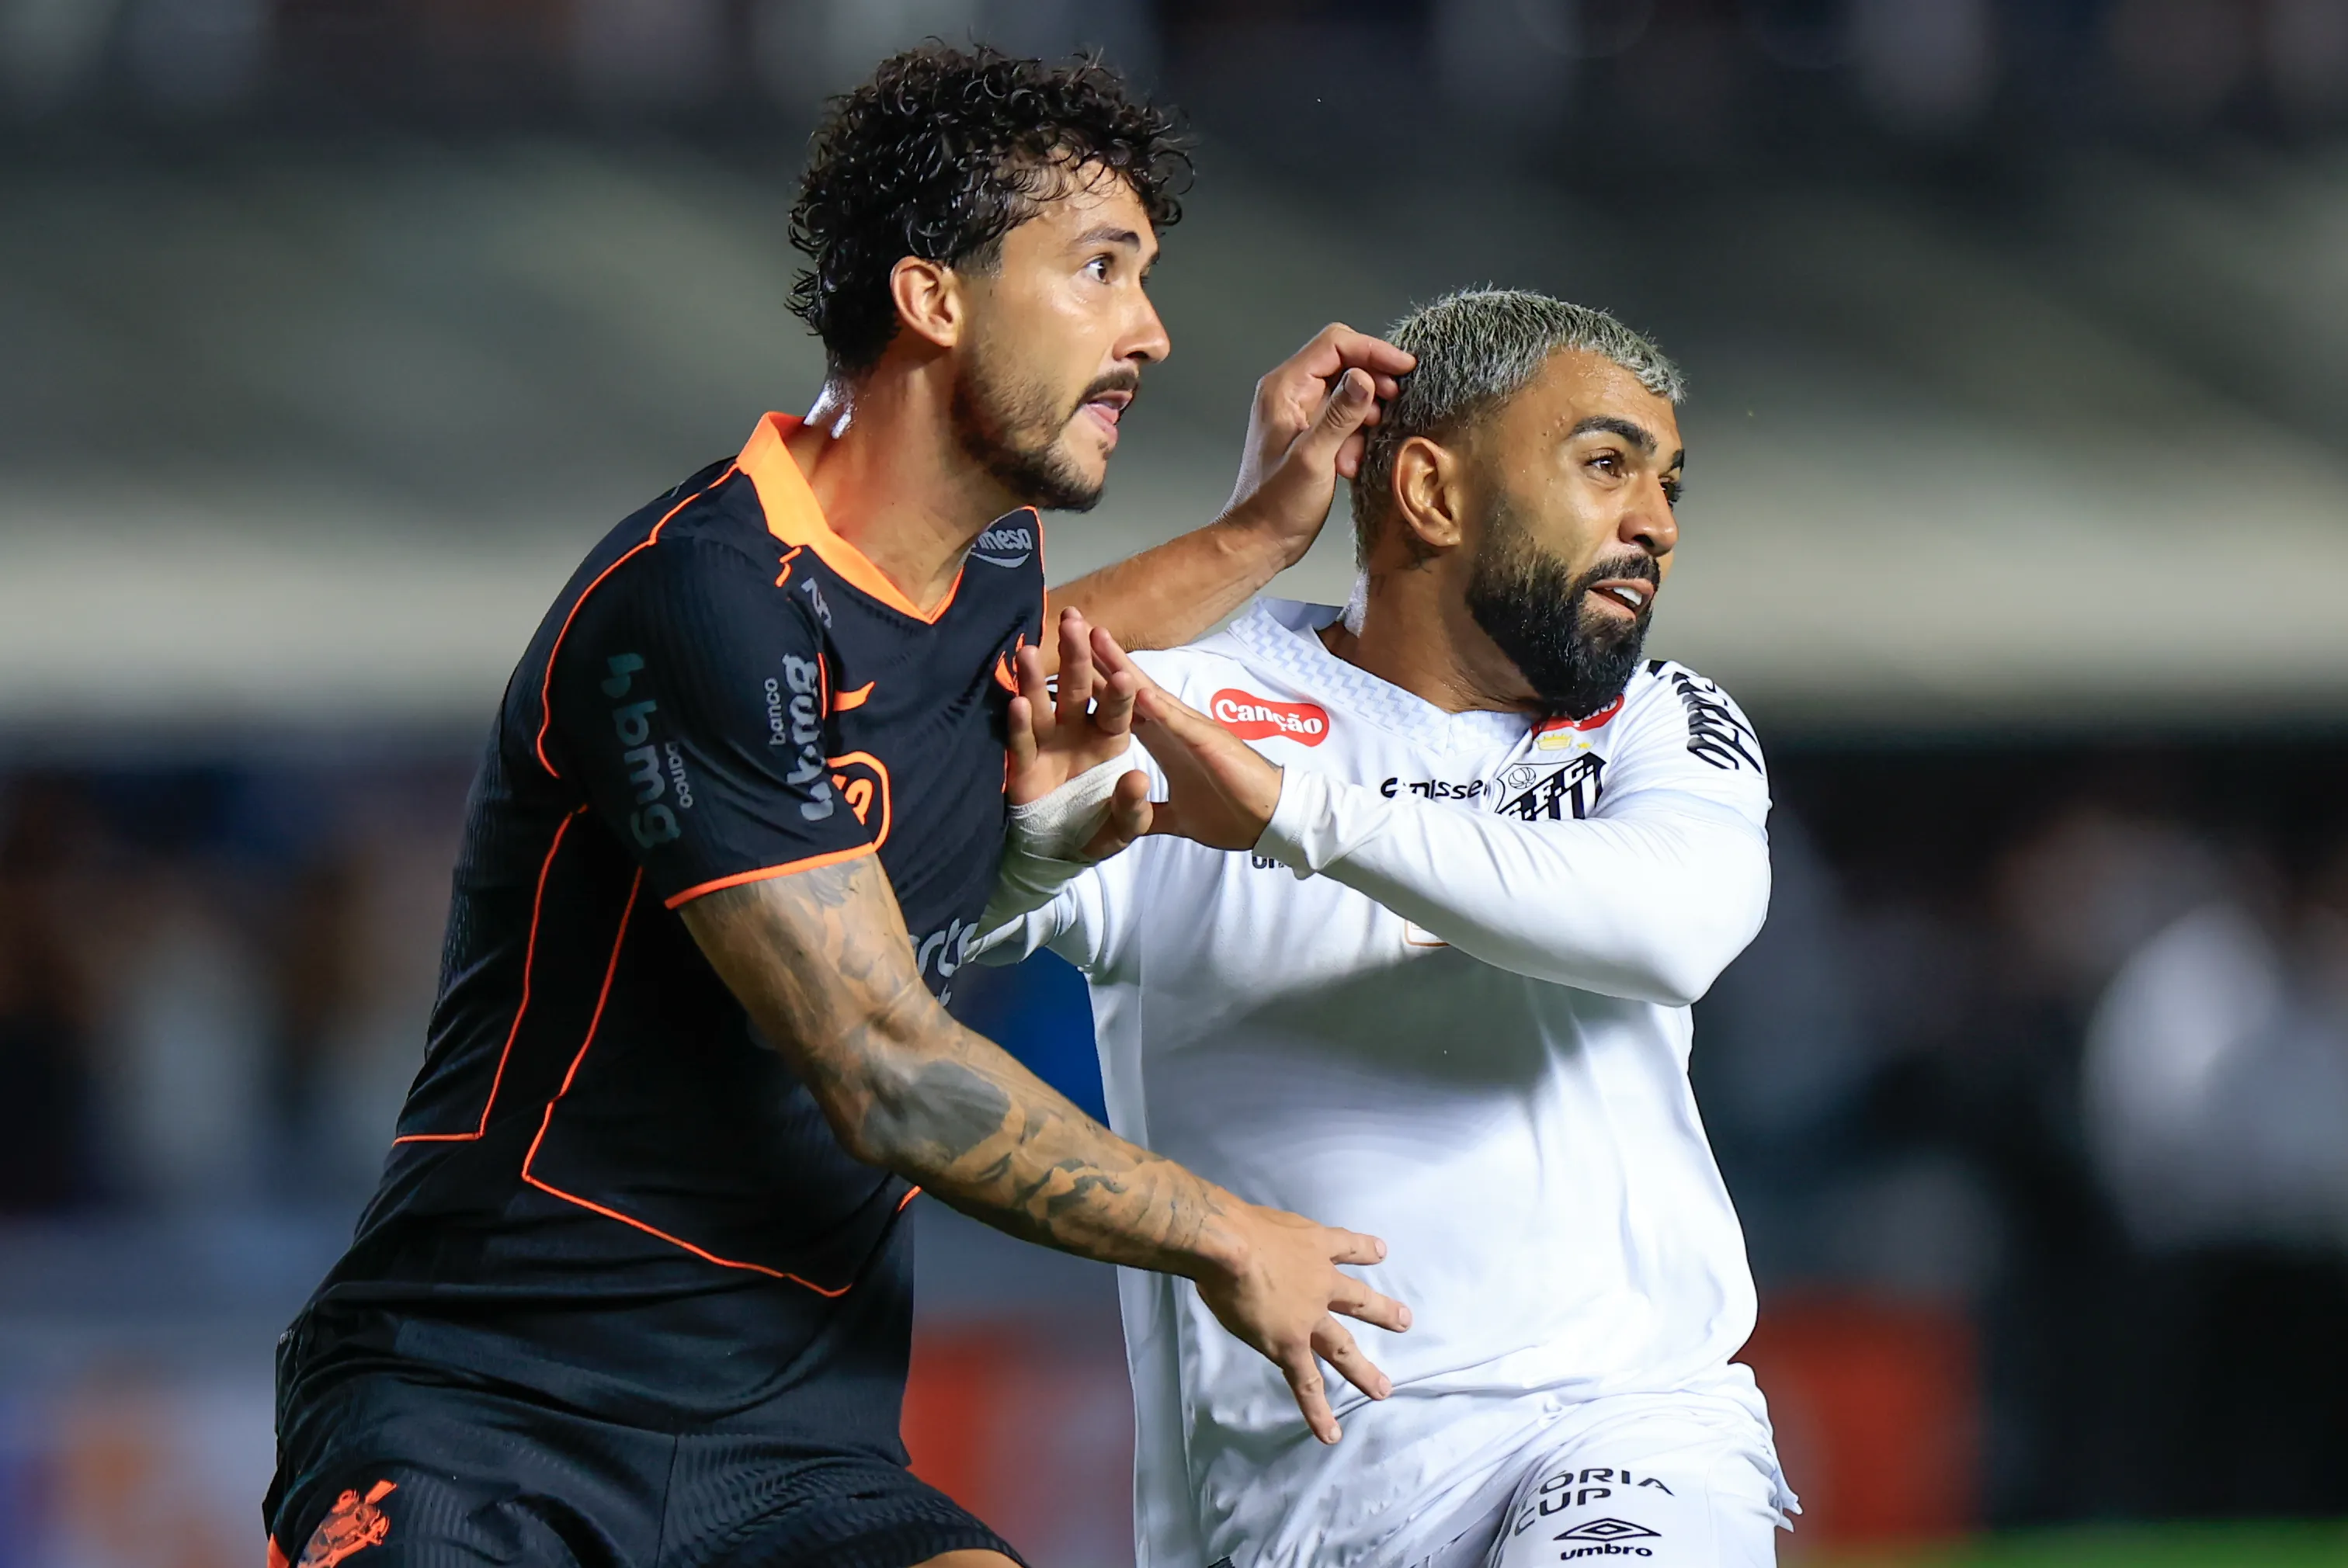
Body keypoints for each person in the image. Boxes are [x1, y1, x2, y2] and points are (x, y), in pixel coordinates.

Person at [264, 45, 1417, 1568]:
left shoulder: (981, 560)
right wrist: (1217, 1227)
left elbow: (1026, 647)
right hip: (484, 1407)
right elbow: (882, 1065)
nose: (1150, 330)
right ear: (934, 298)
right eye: (1099, 269)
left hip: (794, 1446)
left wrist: (1262, 531)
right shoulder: (701, 604)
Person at [981, 288, 1799, 1567]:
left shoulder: (1660, 722)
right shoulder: (1189, 700)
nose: (1657, 525)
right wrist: (1026, 850)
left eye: (1669, 485)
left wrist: (1289, 815)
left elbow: (1673, 923)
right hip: (1305, 1506)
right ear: (1430, 492)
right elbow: (885, 820)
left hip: (1627, 1430)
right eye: (1605, 466)